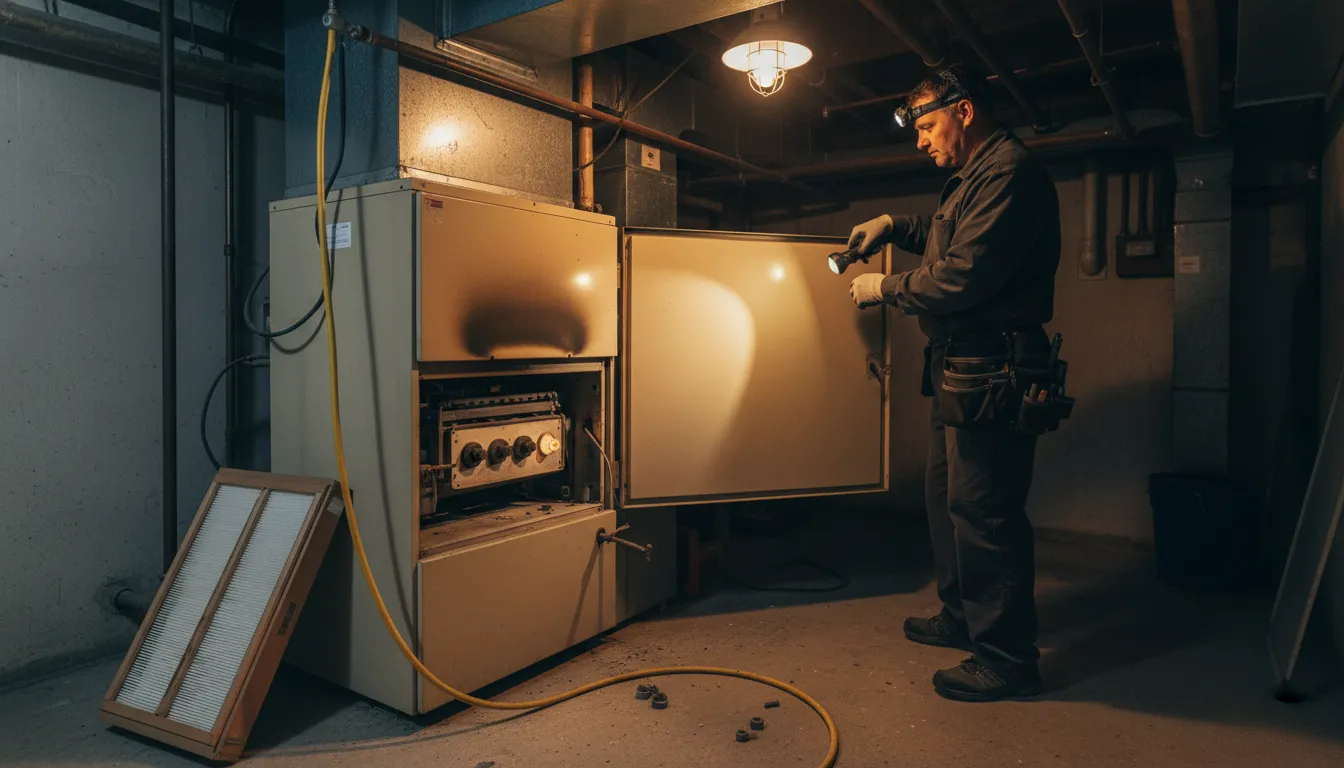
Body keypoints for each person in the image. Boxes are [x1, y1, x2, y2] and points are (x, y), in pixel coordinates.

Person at [844, 63, 1062, 702]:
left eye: (928, 125)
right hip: (960, 368)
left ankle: (1007, 659)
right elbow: (947, 242)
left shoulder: (1009, 173)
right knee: (948, 502)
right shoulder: (974, 176)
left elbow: (962, 275)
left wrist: (884, 287)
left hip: (991, 369)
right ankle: (963, 615)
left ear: (964, 111)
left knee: (985, 511)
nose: (921, 141)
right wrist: (893, 224)